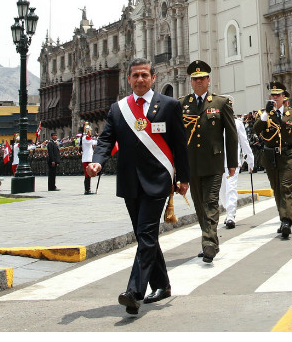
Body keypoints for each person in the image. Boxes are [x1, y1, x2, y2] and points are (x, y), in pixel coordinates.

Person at [86, 58, 190, 314]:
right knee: (145, 236)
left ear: (153, 78)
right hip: (130, 182)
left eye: (144, 75)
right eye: (135, 75)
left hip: (158, 180)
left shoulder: (169, 105)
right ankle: (163, 284)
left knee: (145, 234)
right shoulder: (119, 109)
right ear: (129, 79)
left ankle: (134, 291)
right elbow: (106, 140)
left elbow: (179, 145)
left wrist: (183, 178)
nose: (140, 79)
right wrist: (97, 163)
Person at [180, 61, 238, 263]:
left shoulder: (220, 103)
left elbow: (231, 136)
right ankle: (209, 241)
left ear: (208, 80)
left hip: (213, 163)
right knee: (199, 206)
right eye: (195, 79)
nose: (198, 82)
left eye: (202, 78)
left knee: (211, 202)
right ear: (191, 81)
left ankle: (209, 243)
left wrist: (232, 162)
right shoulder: (182, 104)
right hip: (191, 164)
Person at [257, 83, 292, 237]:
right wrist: (265, 115)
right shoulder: (265, 114)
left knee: (286, 186)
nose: (275, 98)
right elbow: (256, 129)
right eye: (272, 95)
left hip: (289, 156)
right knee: (277, 188)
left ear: (283, 97)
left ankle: (285, 220)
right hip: (271, 157)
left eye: (277, 95)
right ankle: (287, 213)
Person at [219, 111, 254, 229]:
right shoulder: (215, 122)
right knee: (222, 191)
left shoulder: (237, 123)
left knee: (231, 188)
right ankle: (227, 209)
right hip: (218, 162)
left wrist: (250, 160)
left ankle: (230, 215)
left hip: (232, 162)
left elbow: (244, 142)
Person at [80, 124, 97, 195]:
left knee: (88, 175)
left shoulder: (86, 138)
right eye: (89, 131)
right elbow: (94, 142)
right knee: (87, 175)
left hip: (88, 158)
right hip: (86, 159)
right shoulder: (85, 138)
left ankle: (88, 189)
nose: (90, 133)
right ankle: (87, 190)